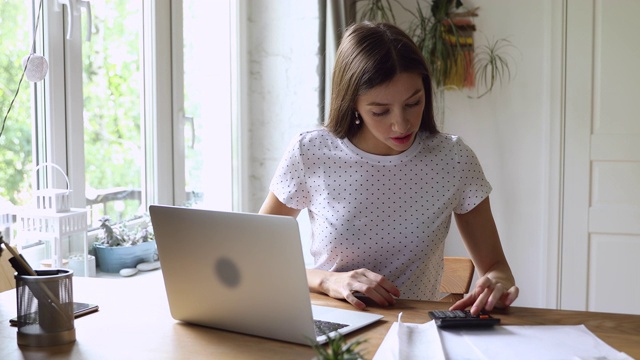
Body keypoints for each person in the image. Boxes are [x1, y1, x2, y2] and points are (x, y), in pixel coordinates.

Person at [259, 22, 518, 315]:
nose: (401, 124)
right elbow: (257, 254)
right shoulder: (311, 152)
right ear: (352, 103)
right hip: (330, 327)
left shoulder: (453, 158)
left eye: (413, 103)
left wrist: (496, 282)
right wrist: (328, 280)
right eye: (380, 111)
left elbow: (497, 268)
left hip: (413, 330)